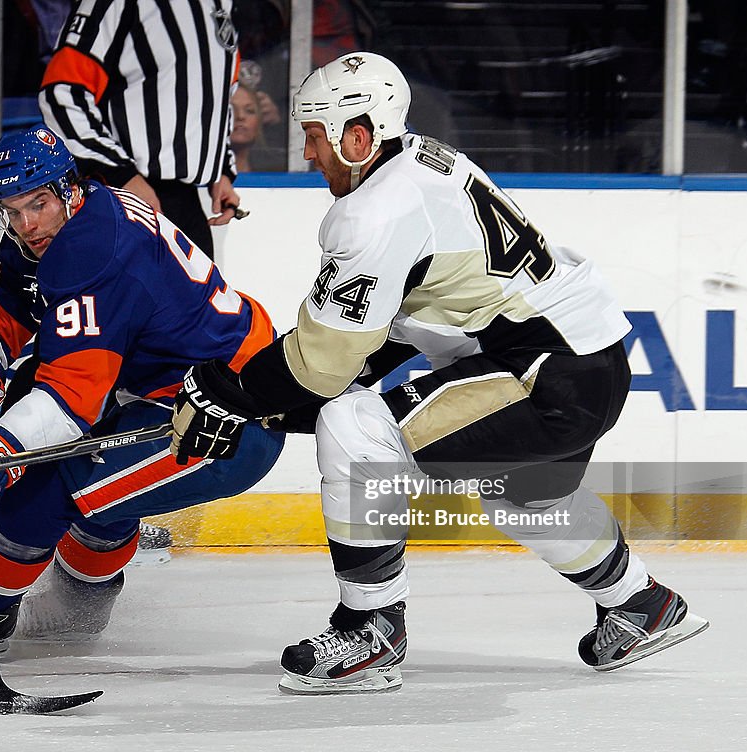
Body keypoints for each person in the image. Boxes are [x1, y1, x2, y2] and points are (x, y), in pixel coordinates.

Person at [169, 52, 710, 694]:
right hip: (584, 364)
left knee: (354, 423)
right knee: (525, 493)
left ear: (357, 135)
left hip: (542, 375)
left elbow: (325, 365)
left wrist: (232, 395)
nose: (310, 154)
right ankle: (642, 606)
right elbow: (386, 335)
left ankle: (369, 630)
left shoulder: (376, 211)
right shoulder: (421, 161)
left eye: (315, 135)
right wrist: (257, 399)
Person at [0, 126, 283, 656]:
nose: (26, 224)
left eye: (38, 203)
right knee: (83, 469)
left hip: (225, 421)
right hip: (176, 396)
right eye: (11, 209)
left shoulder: (93, 250)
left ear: (69, 189)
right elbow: (1, 305)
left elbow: (72, 396)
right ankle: (82, 603)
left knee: (46, 484)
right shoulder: (71, 221)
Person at [37, 0, 244, 260]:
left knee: (200, 301)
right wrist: (119, 175)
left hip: (188, 205)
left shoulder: (220, 2)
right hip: (119, 202)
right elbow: (61, 94)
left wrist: (220, 170)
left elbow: (218, 94)